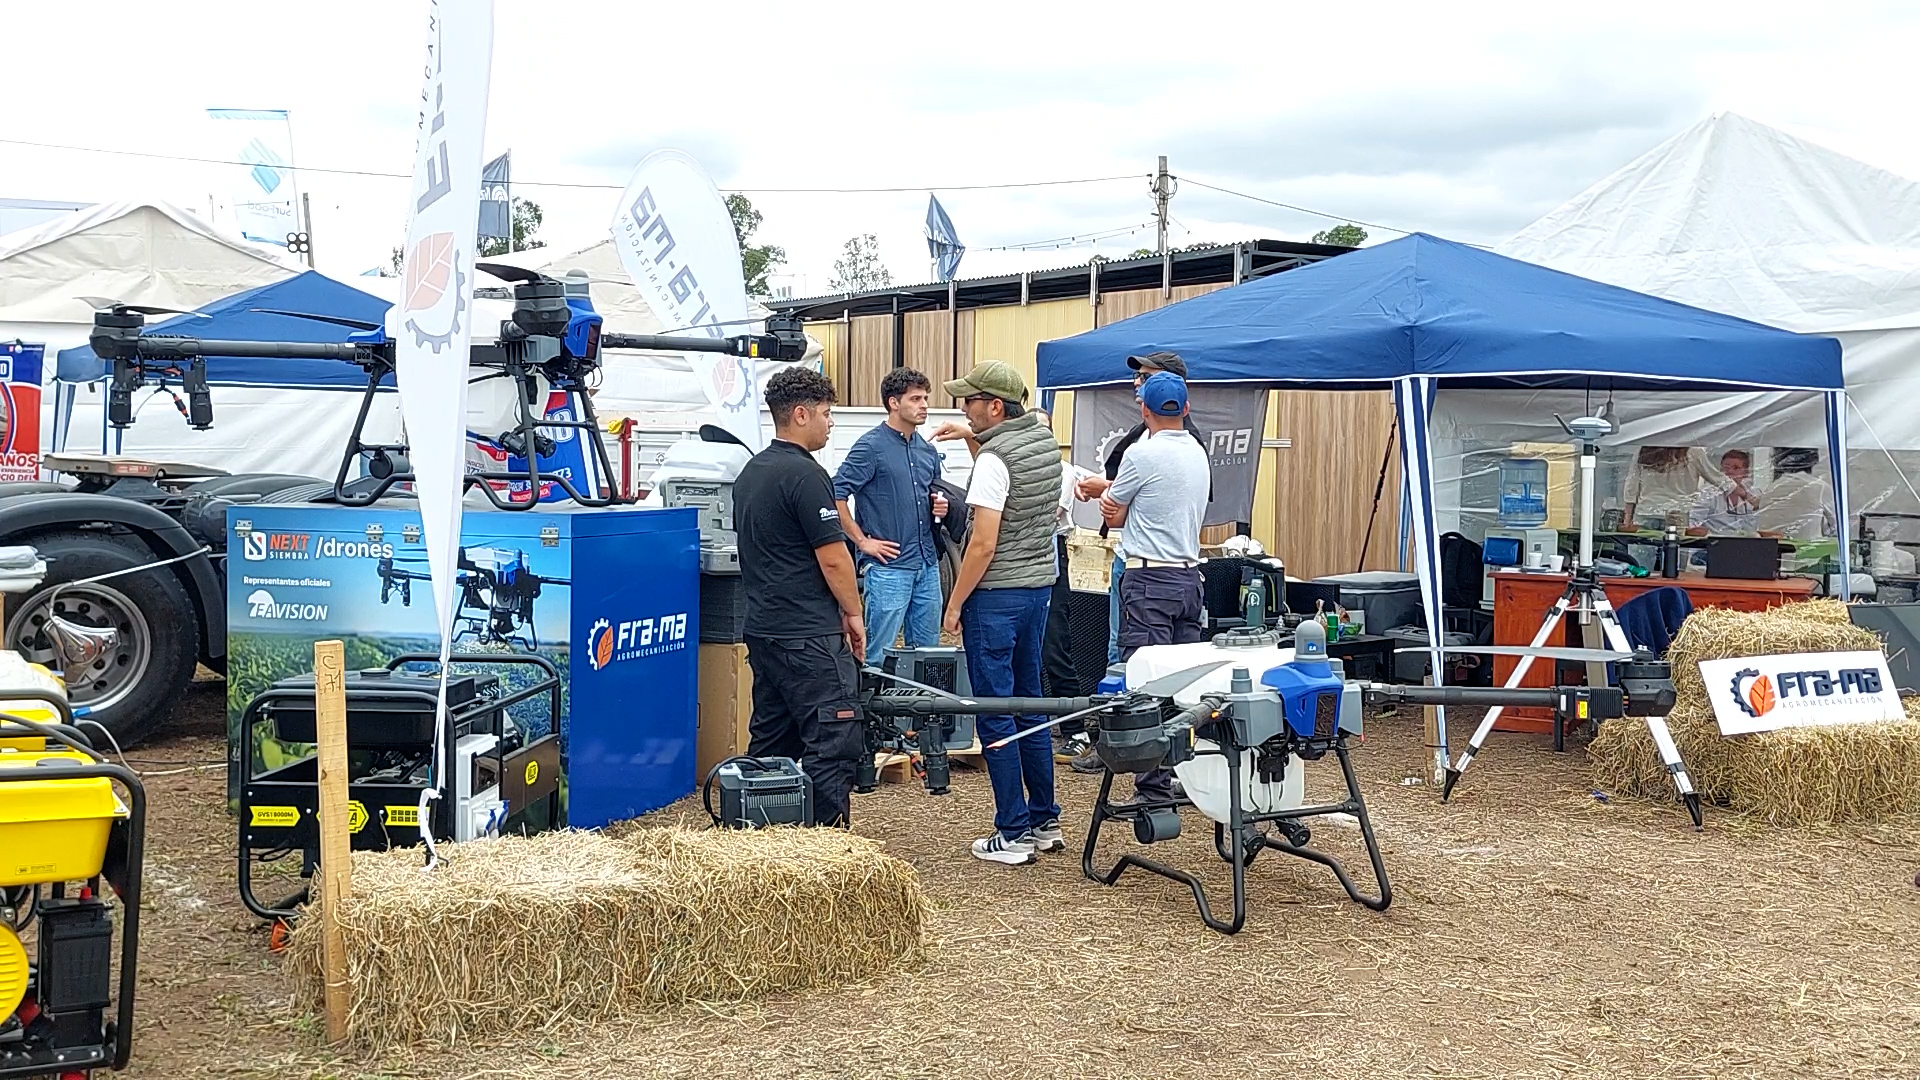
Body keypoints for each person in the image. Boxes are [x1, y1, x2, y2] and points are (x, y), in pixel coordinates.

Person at [940, 360, 1065, 865]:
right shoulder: (1042, 443)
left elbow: (984, 542)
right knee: (1031, 704)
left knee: (994, 712)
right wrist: (975, 439)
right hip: (1038, 588)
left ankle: (1011, 831)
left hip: (995, 596)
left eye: (970, 401)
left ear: (994, 406)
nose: (963, 408)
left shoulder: (995, 460)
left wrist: (955, 602)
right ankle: (1044, 820)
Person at [733, 368, 866, 827]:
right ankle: (827, 846)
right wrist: (853, 613)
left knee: (772, 741)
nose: (831, 424)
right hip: (808, 633)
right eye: (827, 414)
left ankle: (759, 835)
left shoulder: (752, 471)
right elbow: (834, 560)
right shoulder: (806, 475)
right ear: (801, 414)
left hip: (766, 629)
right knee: (834, 737)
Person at [1070, 350, 1211, 775]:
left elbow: (1114, 511)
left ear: (1146, 405)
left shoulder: (1141, 453)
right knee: (1184, 679)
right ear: (1184, 406)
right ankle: (1180, 770)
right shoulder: (1198, 451)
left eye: (1143, 379)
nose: (1136, 383)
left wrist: (1107, 492)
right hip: (1188, 576)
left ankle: (1149, 782)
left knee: (1141, 677)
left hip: (1148, 575)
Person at [833, 368, 949, 665]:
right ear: (893, 403)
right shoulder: (870, 447)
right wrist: (862, 542)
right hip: (888, 567)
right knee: (877, 655)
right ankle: (874, 711)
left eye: (925, 398)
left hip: (927, 564)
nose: (924, 405)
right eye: (915, 398)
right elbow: (835, 495)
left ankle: (921, 713)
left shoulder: (927, 452)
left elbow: (933, 495)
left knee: (928, 657)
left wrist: (940, 508)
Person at [1030, 408, 1099, 759]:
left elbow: (1049, 516)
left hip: (1050, 555)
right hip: (1017, 561)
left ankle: (1076, 730)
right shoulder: (1017, 466)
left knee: (1054, 646)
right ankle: (1028, 726)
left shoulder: (1063, 471)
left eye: (1046, 431)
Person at [1622, 446, 1732, 532]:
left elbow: (1632, 485)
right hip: (1677, 516)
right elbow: (1717, 478)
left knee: (1641, 559)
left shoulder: (1643, 450)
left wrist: (1627, 518)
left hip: (1646, 513)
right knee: (1674, 557)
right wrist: (1746, 495)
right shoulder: (1693, 452)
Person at [1688, 449, 1761, 535]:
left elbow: (1753, 527)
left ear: (1746, 472)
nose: (1730, 471)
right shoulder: (1708, 494)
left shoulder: (1752, 495)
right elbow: (1692, 524)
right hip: (1712, 545)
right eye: (1726, 467)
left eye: (1736, 468)